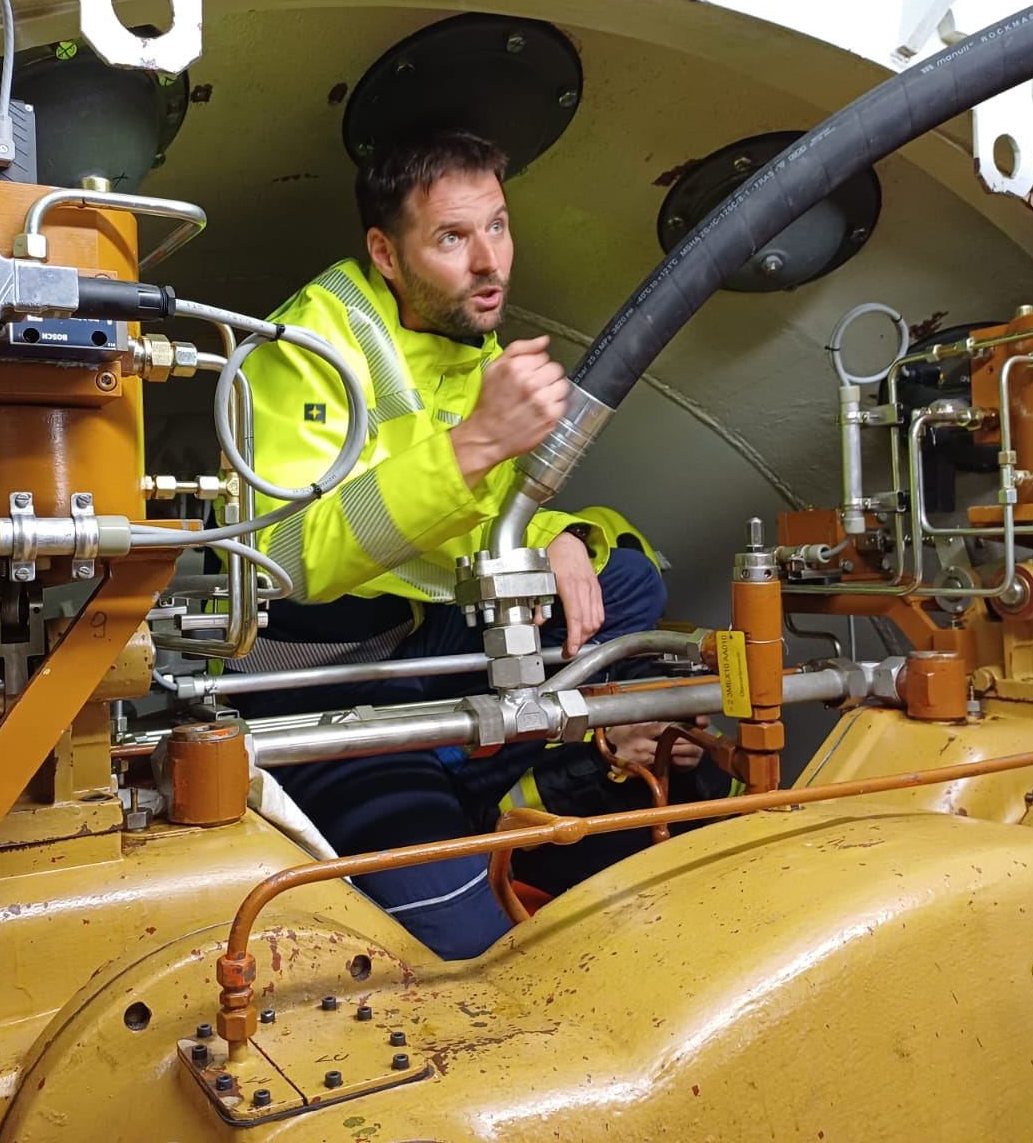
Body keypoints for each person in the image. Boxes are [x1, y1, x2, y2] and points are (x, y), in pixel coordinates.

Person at [233, 130, 716, 959]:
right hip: (317, 684)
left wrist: (559, 536)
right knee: (474, 942)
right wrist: (479, 441)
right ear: (385, 252)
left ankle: (488, 764)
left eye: (497, 225)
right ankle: (438, 787)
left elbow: (485, 519)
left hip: (418, 646)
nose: (489, 262)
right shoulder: (306, 348)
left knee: (627, 585)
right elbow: (287, 556)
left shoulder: (465, 339)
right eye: (452, 237)